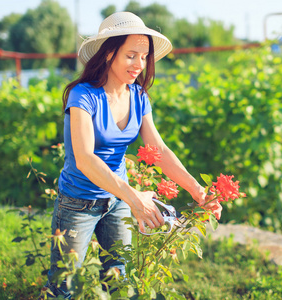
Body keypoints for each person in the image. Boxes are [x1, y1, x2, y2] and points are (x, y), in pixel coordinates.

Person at [43, 11, 222, 298]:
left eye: (144, 56)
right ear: (109, 53)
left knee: (118, 279)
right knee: (64, 285)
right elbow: (85, 158)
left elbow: (159, 151)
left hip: (118, 201)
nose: (140, 64)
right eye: (131, 55)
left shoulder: (139, 97)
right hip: (77, 202)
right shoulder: (83, 96)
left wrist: (198, 190)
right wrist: (134, 196)